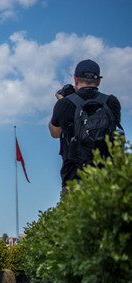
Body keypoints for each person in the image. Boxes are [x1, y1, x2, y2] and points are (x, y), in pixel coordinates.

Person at [48, 59, 122, 191]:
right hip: (107, 179)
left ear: (75, 79)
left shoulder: (64, 104)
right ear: (98, 81)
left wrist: (62, 101)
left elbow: (55, 133)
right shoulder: (111, 102)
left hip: (74, 179)